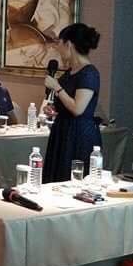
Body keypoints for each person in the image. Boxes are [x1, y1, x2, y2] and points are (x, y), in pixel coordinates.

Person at [42, 23, 102, 183]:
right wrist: (54, 108)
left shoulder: (89, 73)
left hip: (79, 134)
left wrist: (57, 87)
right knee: (56, 178)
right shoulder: (70, 72)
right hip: (62, 129)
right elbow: (66, 101)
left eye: (59, 43)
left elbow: (78, 108)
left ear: (68, 44)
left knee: (71, 179)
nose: (57, 48)